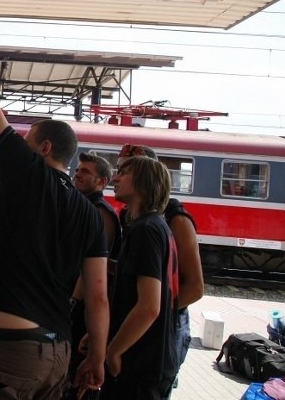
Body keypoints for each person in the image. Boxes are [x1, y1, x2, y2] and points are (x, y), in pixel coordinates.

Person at [0, 9, 109, 399]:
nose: (17, 145)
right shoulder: (92, 216)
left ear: (44, 147)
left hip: (9, 353)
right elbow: (98, 297)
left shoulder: (27, 173)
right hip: (56, 353)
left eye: (26, 140)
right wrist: (98, 358)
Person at [116, 143, 204, 380]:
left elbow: (195, 287)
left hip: (164, 323)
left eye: (125, 171)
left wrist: (157, 319)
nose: (116, 177)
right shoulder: (129, 216)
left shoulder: (175, 218)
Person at [102, 155, 180, 399]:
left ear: (143, 182)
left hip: (139, 364)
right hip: (152, 361)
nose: (115, 178)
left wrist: (114, 350)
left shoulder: (145, 231)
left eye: (123, 173)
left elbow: (148, 307)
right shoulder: (156, 226)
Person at [68, 151, 122, 396]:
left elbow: (92, 268)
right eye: (77, 170)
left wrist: (72, 302)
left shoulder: (101, 213)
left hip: (83, 308)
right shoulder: (83, 206)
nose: (77, 174)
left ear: (102, 182)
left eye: (85, 172)